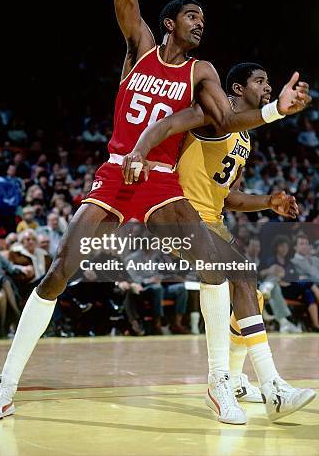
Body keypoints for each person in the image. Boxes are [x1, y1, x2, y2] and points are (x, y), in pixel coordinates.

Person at [0, 0, 312, 423]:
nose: (201, 23)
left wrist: (277, 108)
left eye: (205, 17)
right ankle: (4, 386)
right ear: (169, 23)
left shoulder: (202, 71)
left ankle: (219, 385)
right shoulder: (138, 45)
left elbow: (224, 123)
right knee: (61, 266)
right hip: (114, 174)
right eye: (192, 16)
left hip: (161, 183)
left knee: (222, 268)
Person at [122, 61, 315, 419]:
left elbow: (230, 197)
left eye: (268, 81)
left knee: (250, 295)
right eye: (260, 81)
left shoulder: (245, 138)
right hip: (181, 217)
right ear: (237, 89)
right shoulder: (214, 117)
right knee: (242, 277)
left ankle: (239, 381)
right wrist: (139, 152)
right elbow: (164, 124)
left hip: (214, 220)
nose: (267, 87)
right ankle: (270, 385)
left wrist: (268, 202)